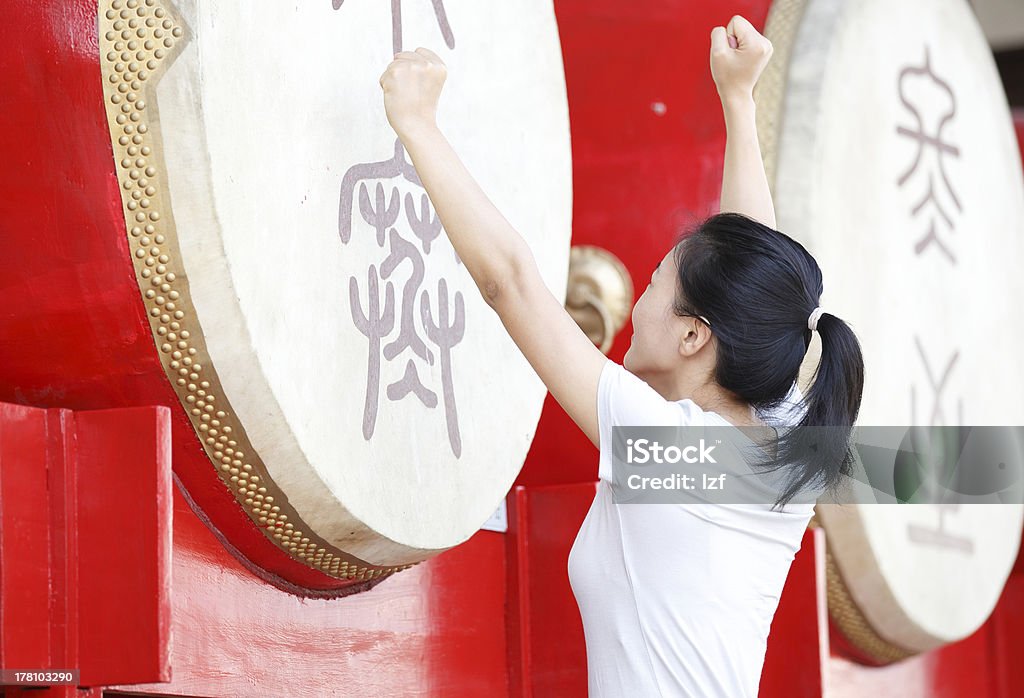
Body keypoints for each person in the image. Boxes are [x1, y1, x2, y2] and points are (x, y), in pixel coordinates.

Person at [379, 13, 865, 697]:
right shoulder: (779, 447)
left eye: (655, 283)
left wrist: (418, 125)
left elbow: (511, 283)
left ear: (695, 335)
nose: (637, 302)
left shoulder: (672, 448)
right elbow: (753, 269)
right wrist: (737, 100)